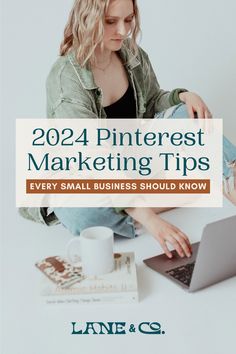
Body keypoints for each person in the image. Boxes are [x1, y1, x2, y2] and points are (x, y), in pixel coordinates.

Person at [20, 0, 236, 259]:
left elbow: (154, 102)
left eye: (129, 19)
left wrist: (184, 96)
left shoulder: (132, 54)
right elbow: (92, 157)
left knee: (185, 116)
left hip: (133, 160)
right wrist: (151, 222)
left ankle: (229, 181)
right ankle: (184, 190)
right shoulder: (66, 77)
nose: (123, 31)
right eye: (111, 21)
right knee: (82, 214)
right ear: (88, 18)